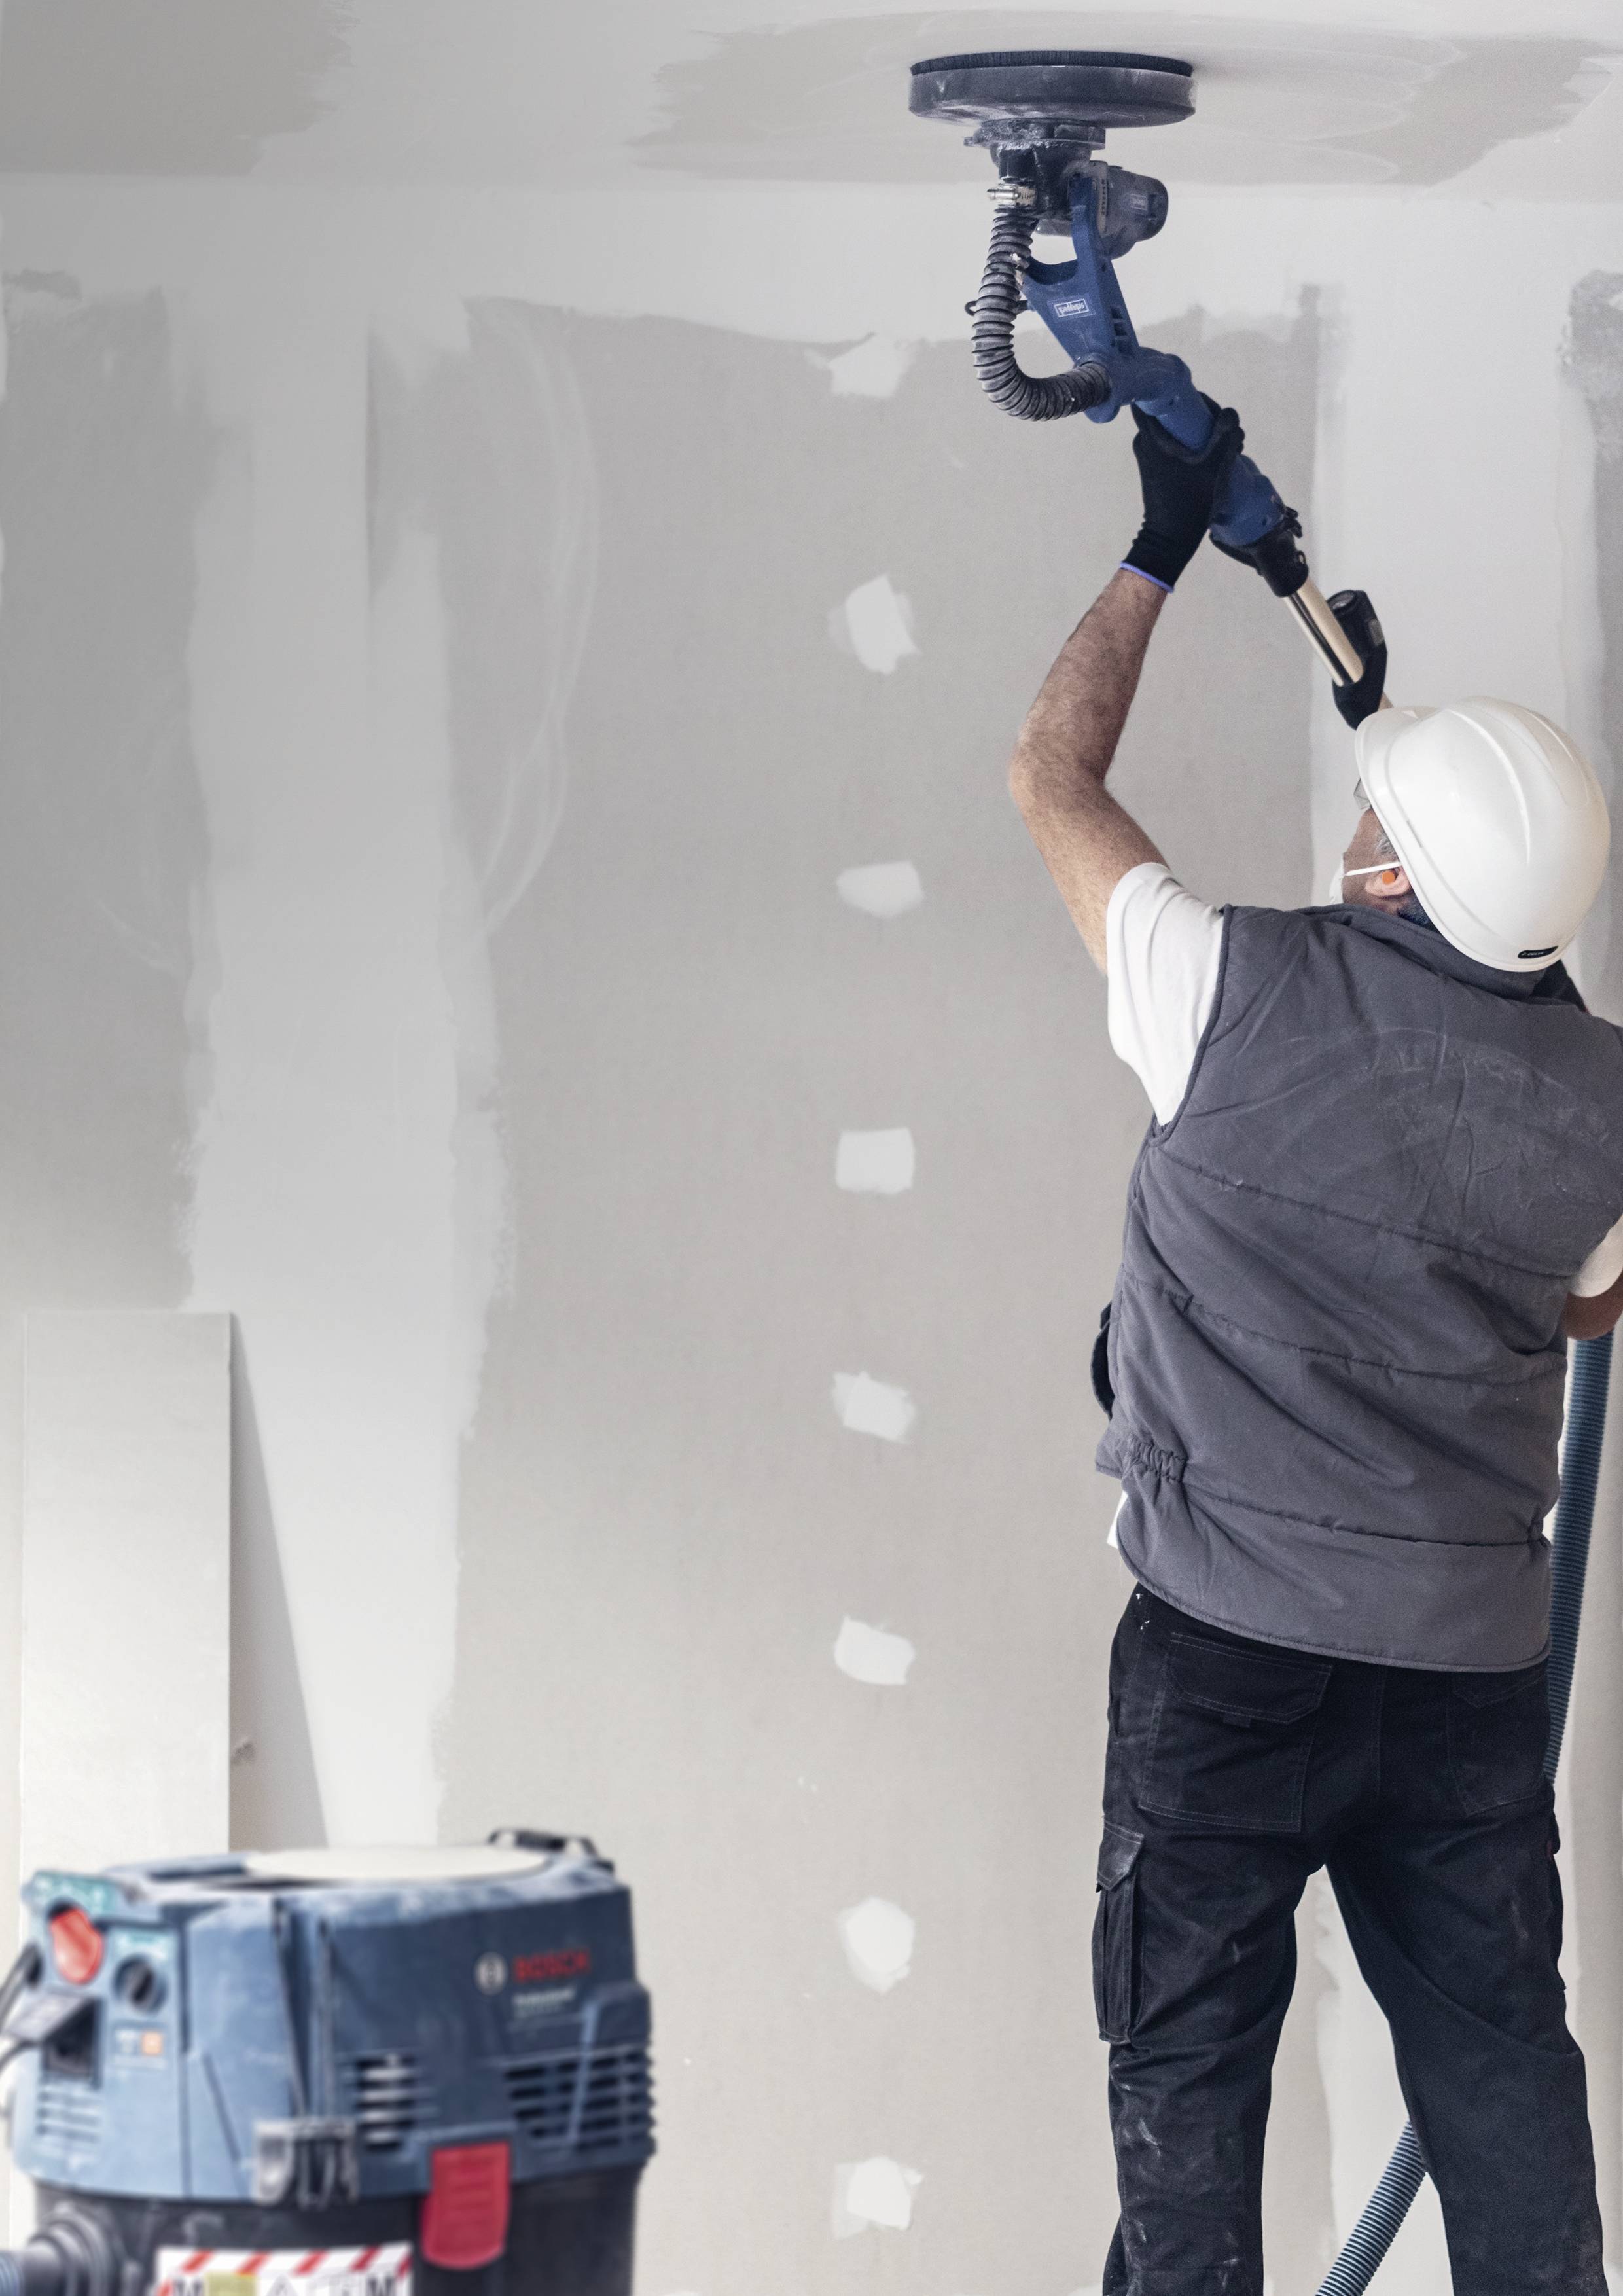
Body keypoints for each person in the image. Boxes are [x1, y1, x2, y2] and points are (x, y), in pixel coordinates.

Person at [1008, 401, 1623, 2296]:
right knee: (1506, 2088)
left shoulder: (1221, 995)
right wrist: (1420, 775)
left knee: (1192, 2092)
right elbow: (1590, 1289)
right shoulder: (1605, 1108)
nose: (1352, 828)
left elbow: (1051, 771)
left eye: (1375, 822)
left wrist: (1159, 545)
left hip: (1226, 1665)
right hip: (1457, 1686)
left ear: (1384, 880)